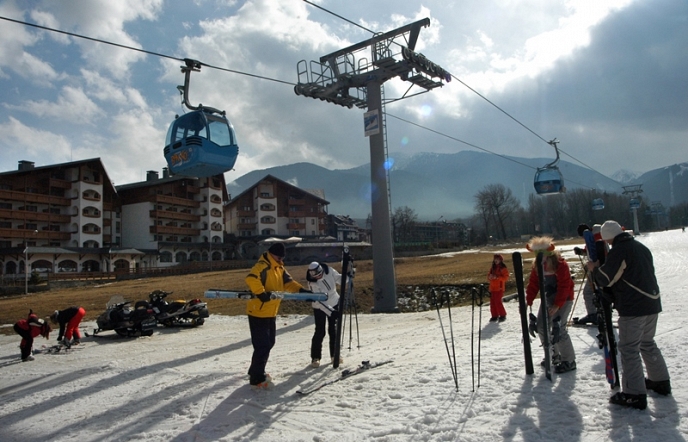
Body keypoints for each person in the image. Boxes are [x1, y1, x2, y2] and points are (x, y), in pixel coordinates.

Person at [588, 220, 671, 410]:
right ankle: (660, 381)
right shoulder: (640, 247)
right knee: (647, 343)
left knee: (629, 349)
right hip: (652, 302)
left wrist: (594, 269)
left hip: (633, 307)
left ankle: (634, 394)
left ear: (609, 238)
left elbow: (605, 279)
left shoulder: (620, 250)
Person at [244, 242, 309, 389]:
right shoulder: (262, 265)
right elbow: (251, 278)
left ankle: (254, 369)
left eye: (282, 257)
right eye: (278, 256)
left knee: (270, 343)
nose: (280, 258)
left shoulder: (279, 267)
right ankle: (256, 378)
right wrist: (261, 293)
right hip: (258, 311)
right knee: (263, 345)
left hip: (270, 311)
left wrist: (301, 291)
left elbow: (289, 283)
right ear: (272, 253)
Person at [525, 236, 577, 374]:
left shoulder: (561, 265)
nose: (542, 261)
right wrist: (528, 300)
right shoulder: (537, 266)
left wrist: (558, 305)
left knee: (559, 328)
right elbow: (533, 284)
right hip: (548, 298)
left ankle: (569, 360)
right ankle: (553, 354)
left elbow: (565, 286)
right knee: (541, 326)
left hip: (563, 299)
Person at [306, 261, 342, 367]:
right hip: (320, 307)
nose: (317, 276)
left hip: (334, 302)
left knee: (333, 330)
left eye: (319, 274)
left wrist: (348, 276)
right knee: (320, 331)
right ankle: (315, 357)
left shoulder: (329, 271)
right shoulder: (312, 283)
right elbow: (319, 301)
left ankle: (335, 355)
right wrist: (331, 312)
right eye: (314, 275)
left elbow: (339, 278)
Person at [572, 223, 601, 325]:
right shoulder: (598, 235)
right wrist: (582, 251)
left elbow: (594, 253)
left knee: (588, 292)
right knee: (600, 291)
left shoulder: (594, 237)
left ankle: (593, 314)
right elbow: (591, 251)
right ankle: (602, 312)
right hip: (601, 268)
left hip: (596, 268)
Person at [487, 254, 509, 322]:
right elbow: (488, 276)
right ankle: (494, 316)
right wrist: (490, 277)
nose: (496, 260)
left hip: (499, 288)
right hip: (492, 288)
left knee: (498, 302)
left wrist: (497, 277)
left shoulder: (503, 268)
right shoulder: (492, 268)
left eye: (497, 259)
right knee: (493, 302)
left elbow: (506, 278)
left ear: (500, 260)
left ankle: (502, 315)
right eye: (495, 259)